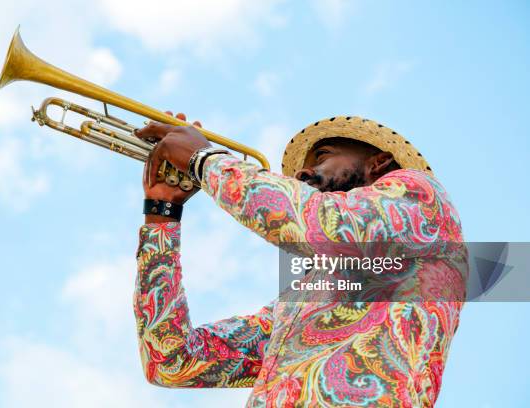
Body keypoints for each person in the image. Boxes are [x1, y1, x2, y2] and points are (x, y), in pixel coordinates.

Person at [132, 114, 465, 407]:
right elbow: (172, 360)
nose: (304, 171)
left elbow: (324, 225)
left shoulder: (420, 196)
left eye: (322, 156)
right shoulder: (306, 298)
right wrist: (163, 213)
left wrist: (204, 159)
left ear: (378, 162)